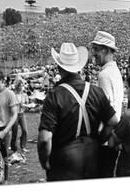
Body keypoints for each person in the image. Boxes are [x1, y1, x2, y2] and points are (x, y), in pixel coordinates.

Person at [37, 43, 118, 181]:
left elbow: (45, 139)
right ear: (78, 67)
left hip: (64, 163)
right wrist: (100, 139)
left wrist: (44, 161)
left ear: (59, 67)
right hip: (92, 159)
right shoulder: (96, 91)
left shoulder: (55, 95)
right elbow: (113, 121)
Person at [90, 31, 124, 177]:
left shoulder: (104, 75)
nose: (94, 54)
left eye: (96, 49)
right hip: (113, 137)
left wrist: (100, 139)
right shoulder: (115, 71)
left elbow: (107, 111)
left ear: (105, 49)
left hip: (106, 138)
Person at [109, 73, 130, 177]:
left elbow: (111, 143)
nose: (126, 91)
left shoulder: (129, 116)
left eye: (127, 87)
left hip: (129, 169)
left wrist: (112, 128)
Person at [10, 80, 29, 153]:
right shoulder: (12, 95)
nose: (22, 87)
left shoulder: (24, 95)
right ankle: (14, 148)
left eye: (22, 86)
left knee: (25, 130)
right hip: (15, 115)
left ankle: (23, 146)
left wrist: (26, 106)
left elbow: (26, 105)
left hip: (22, 114)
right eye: (21, 86)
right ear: (17, 86)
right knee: (15, 132)